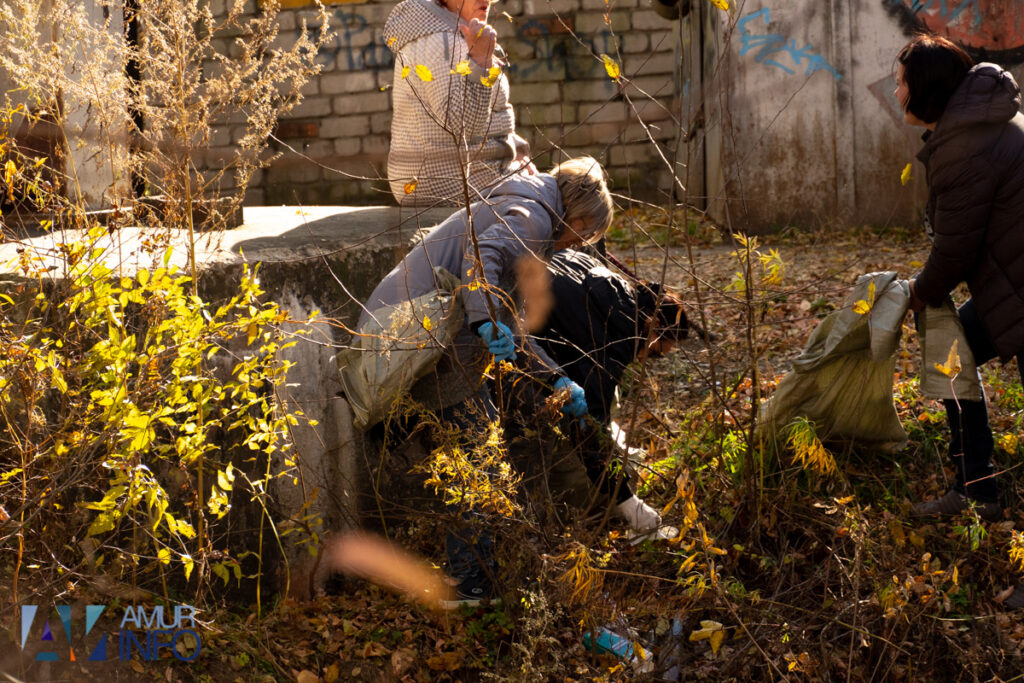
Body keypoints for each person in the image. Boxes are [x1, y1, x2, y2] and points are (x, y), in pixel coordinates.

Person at [355, 157, 611, 605]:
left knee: (471, 446)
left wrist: (555, 380)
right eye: (586, 235)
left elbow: (508, 321)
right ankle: (471, 582)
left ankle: (473, 576)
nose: (579, 245)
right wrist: (486, 319)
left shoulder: (526, 205)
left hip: (408, 331)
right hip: (416, 336)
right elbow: (482, 256)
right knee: (477, 451)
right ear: (581, 218)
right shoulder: (533, 219)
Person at [893, 34, 1024, 521]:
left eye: (902, 83)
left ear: (925, 88)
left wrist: (919, 294)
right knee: (954, 348)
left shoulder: (965, 145)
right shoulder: (978, 122)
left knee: (951, 346)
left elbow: (956, 249)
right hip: (1016, 281)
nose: (897, 93)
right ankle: (977, 490)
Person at [536, 249, 692, 531]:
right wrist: (627, 501)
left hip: (525, 276)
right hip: (506, 323)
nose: (645, 359)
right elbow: (588, 433)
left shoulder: (619, 291)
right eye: (656, 352)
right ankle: (550, 518)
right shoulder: (607, 352)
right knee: (561, 435)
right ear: (653, 325)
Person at [383, 0, 534, 206]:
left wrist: (516, 152)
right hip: (449, 181)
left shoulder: (450, 35)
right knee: (569, 193)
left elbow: (487, 116)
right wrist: (480, 60)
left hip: (455, 174)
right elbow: (461, 127)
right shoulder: (444, 42)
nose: (485, 0)